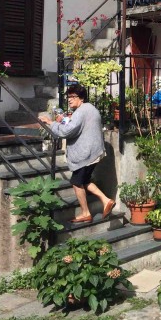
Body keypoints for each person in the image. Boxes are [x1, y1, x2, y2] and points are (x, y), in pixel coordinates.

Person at [40, 85, 115, 223]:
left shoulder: (81, 111)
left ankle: (85, 213)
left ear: (81, 97)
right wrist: (64, 120)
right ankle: (106, 200)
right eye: (68, 97)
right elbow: (77, 126)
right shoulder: (90, 109)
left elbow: (68, 131)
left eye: (72, 97)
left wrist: (51, 123)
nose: (69, 100)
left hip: (86, 153)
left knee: (76, 182)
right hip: (94, 151)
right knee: (84, 181)